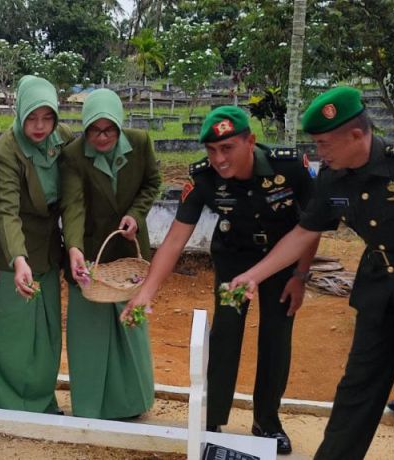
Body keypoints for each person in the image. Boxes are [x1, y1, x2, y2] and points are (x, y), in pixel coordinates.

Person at [229, 86, 394, 460]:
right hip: (378, 287)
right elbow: (303, 232)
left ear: (356, 135)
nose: (319, 152)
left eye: (324, 144)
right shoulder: (333, 176)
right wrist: (255, 275)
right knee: (358, 384)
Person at [127, 106, 317, 454]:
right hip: (234, 258)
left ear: (250, 142)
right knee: (226, 332)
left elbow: (312, 226)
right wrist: (146, 292)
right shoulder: (204, 178)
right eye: (212, 150)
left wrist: (301, 276)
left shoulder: (289, 167)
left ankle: (267, 422)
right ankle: (212, 419)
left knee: (277, 335)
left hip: (281, 261)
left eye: (227, 148)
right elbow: (174, 240)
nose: (219, 159)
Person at [0, 75, 74, 413]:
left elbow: (77, 192)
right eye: (32, 117)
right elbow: (5, 212)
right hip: (4, 252)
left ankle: (41, 403)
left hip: (45, 251)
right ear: (20, 114)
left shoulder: (64, 140)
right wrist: (18, 259)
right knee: (10, 335)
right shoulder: (5, 152)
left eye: (47, 117)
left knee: (44, 336)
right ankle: (8, 407)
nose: (40, 126)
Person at [61, 89, 161, 420]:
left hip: (129, 251)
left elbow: (152, 183)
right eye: (94, 130)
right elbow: (72, 205)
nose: (101, 137)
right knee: (89, 330)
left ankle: (133, 401)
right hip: (90, 253)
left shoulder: (140, 143)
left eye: (109, 130)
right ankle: (91, 405)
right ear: (85, 129)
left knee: (130, 327)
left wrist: (136, 213)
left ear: (119, 127)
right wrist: (74, 247)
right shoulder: (74, 154)